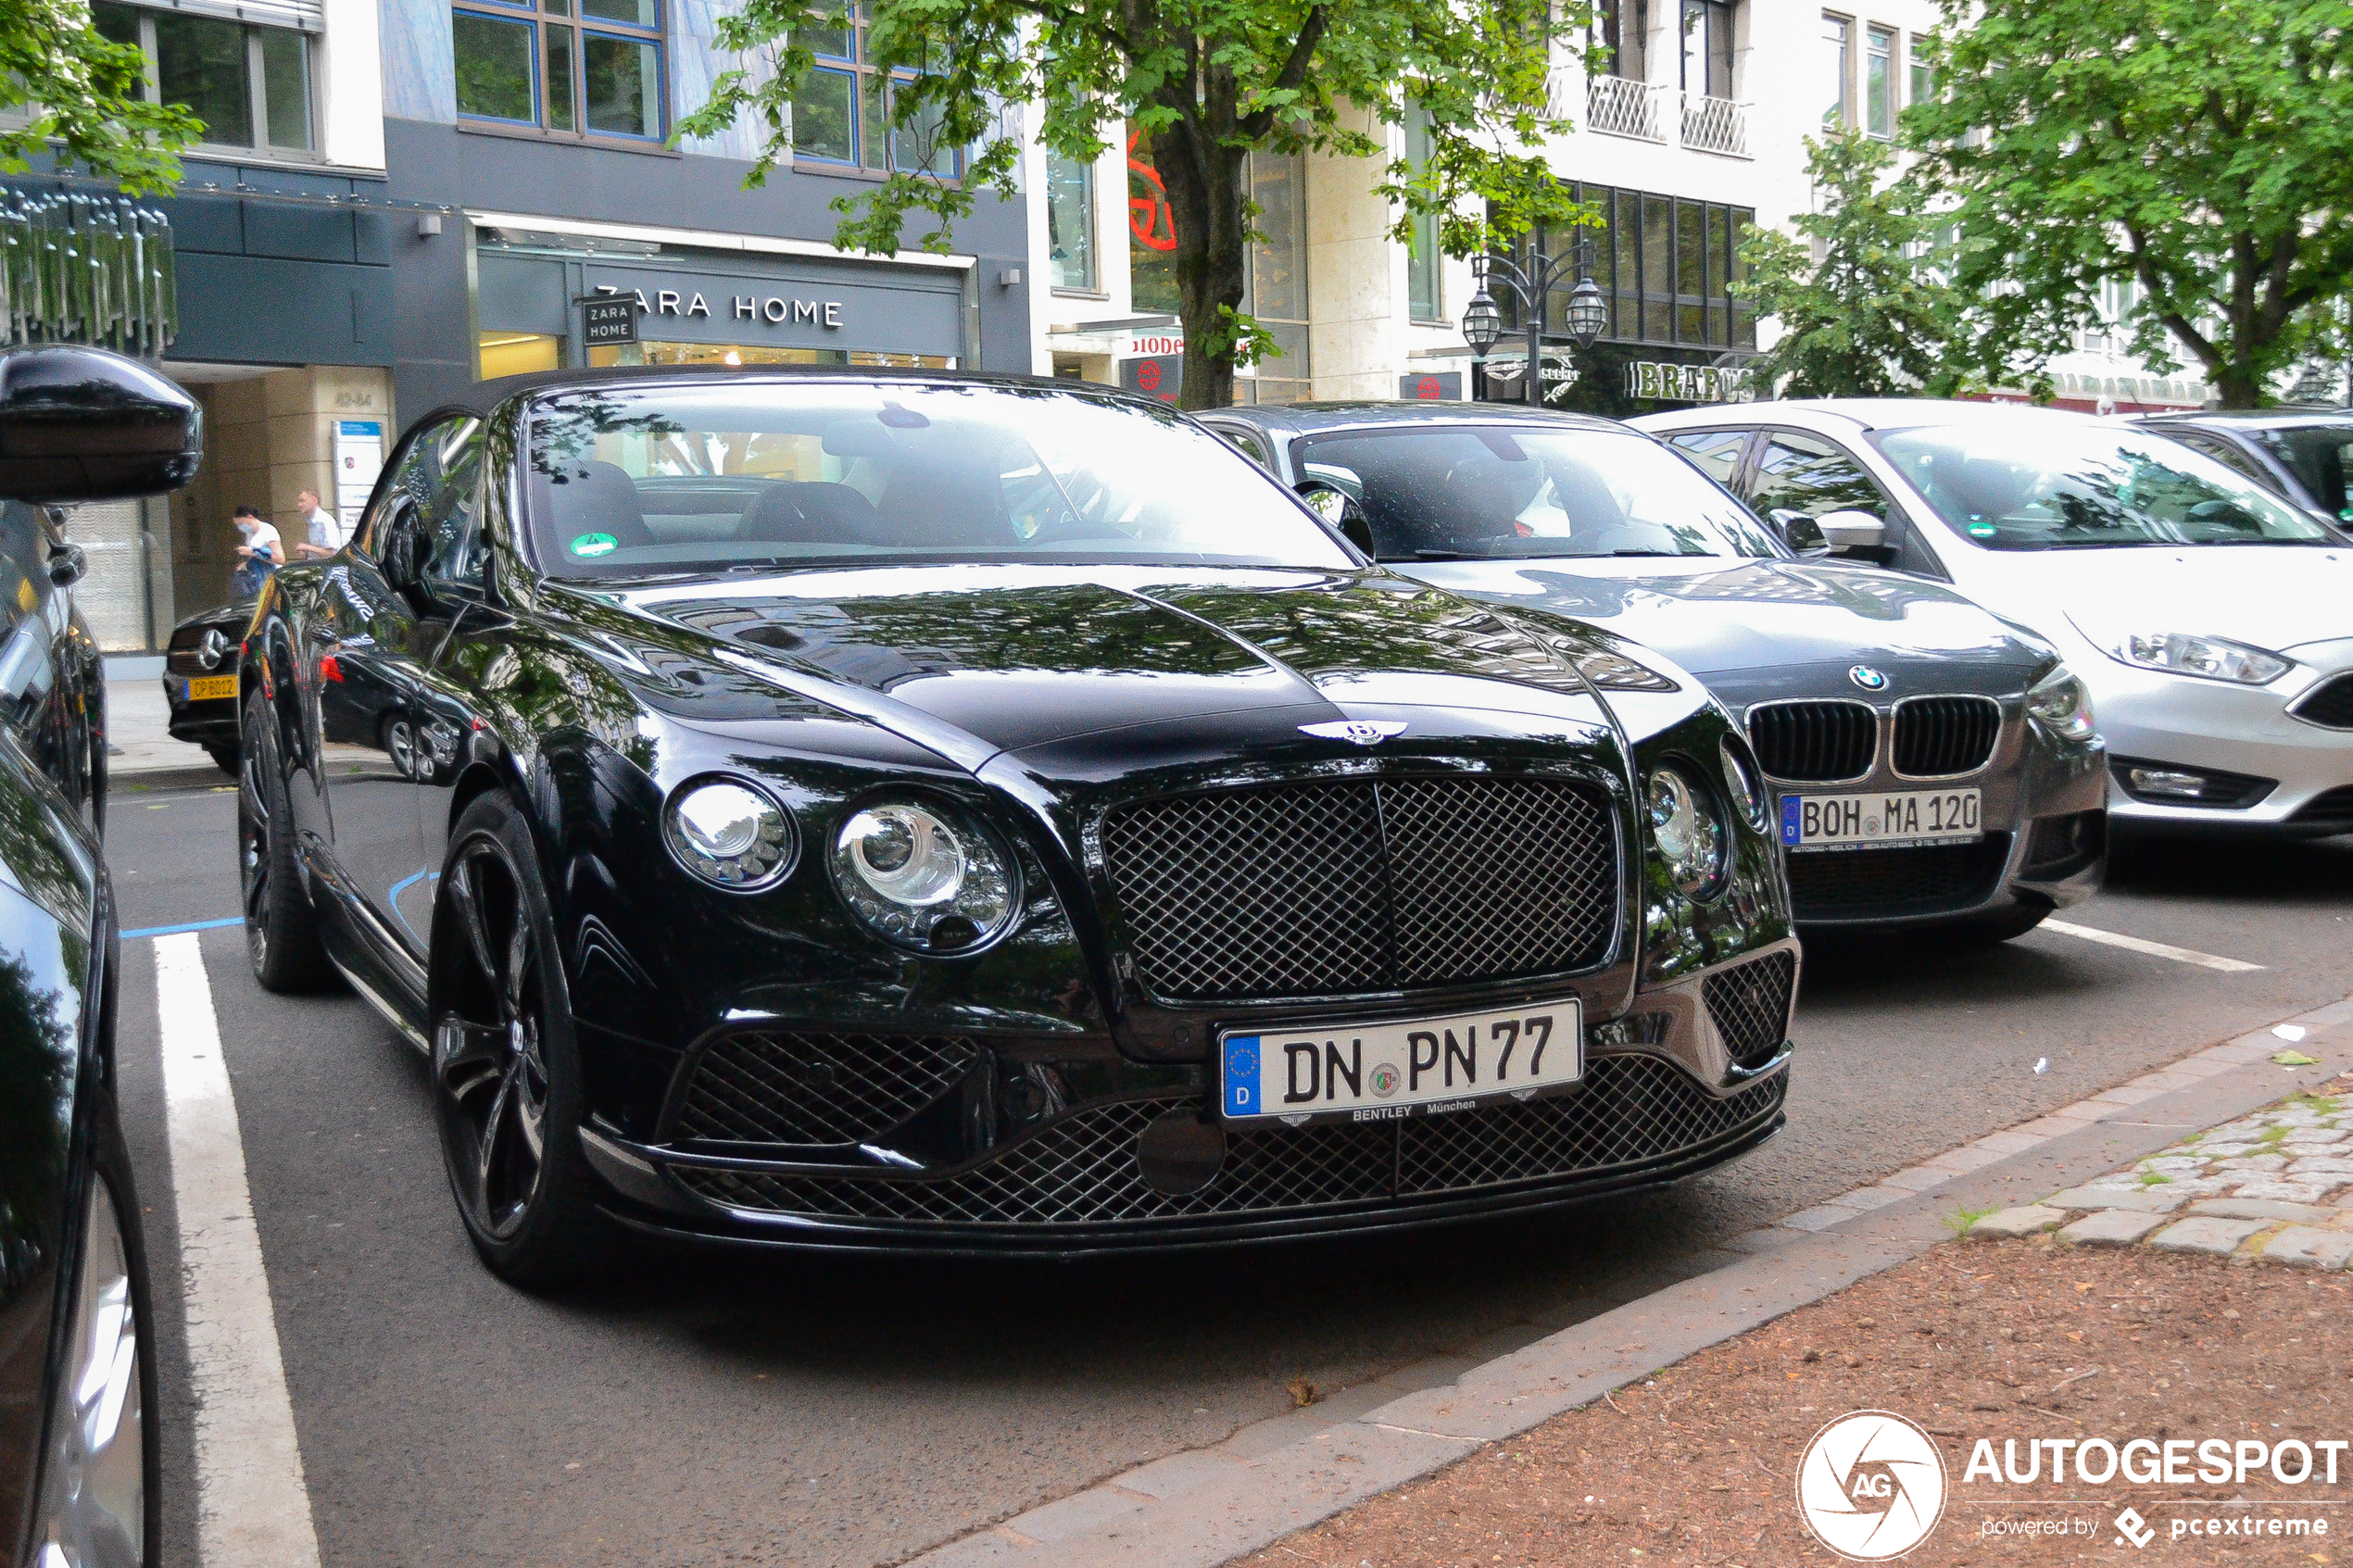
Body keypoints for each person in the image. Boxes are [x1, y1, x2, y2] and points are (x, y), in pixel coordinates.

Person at [231, 505, 283, 597]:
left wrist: (252, 552)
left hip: (270, 576)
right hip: (257, 577)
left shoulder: (268, 531)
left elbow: (280, 558)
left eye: (241, 523)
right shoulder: (249, 534)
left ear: (250, 517)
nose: (240, 527)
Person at [293, 486, 348, 558]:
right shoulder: (310, 520)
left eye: (303, 501)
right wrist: (306, 553)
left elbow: (332, 553)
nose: (299, 505)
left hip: (326, 568)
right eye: (299, 501)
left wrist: (307, 547)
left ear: (314, 500)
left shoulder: (325, 520)